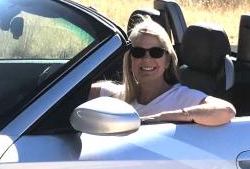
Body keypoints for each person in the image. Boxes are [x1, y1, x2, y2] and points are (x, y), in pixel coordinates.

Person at [90, 18, 236, 126]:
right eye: (138, 52)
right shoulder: (117, 95)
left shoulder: (181, 97)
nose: (146, 59)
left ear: (167, 60)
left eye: (156, 52)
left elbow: (227, 111)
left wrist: (161, 118)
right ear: (130, 60)